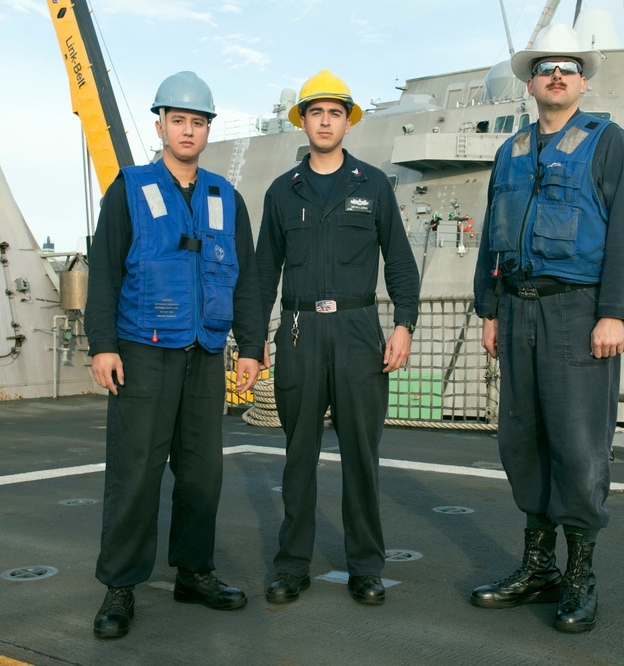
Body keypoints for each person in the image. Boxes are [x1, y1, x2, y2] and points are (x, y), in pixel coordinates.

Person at [471, 24, 624, 633]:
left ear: (581, 82)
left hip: (577, 313)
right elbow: (492, 241)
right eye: (546, 67)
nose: (557, 75)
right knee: (523, 441)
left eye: (568, 68)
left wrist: (613, 312)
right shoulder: (511, 151)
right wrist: (488, 309)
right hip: (517, 310)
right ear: (529, 82)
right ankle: (537, 569)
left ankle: (580, 578)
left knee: (577, 444)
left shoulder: (607, 143)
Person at [85, 71, 264, 639]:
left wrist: (252, 347)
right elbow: (105, 270)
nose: (188, 130)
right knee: (134, 474)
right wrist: (103, 345)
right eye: (179, 120)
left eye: (198, 122)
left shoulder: (224, 197)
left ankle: (194, 572)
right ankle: (120, 586)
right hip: (143, 353)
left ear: (209, 130)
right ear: (160, 125)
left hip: (205, 354)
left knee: (202, 476)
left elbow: (248, 280)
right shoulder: (130, 189)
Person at [256, 70, 420, 606]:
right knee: (297, 453)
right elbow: (263, 273)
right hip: (301, 332)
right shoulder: (283, 191)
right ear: (302, 121)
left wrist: (404, 324)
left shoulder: (372, 185)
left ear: (347, 121)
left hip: (357, 331)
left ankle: (366, 567)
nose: (325, 121)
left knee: (360, 455)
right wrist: (254, 339)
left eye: (335, 113)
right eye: (316, 112)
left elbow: (398, 260)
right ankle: (291, 565)